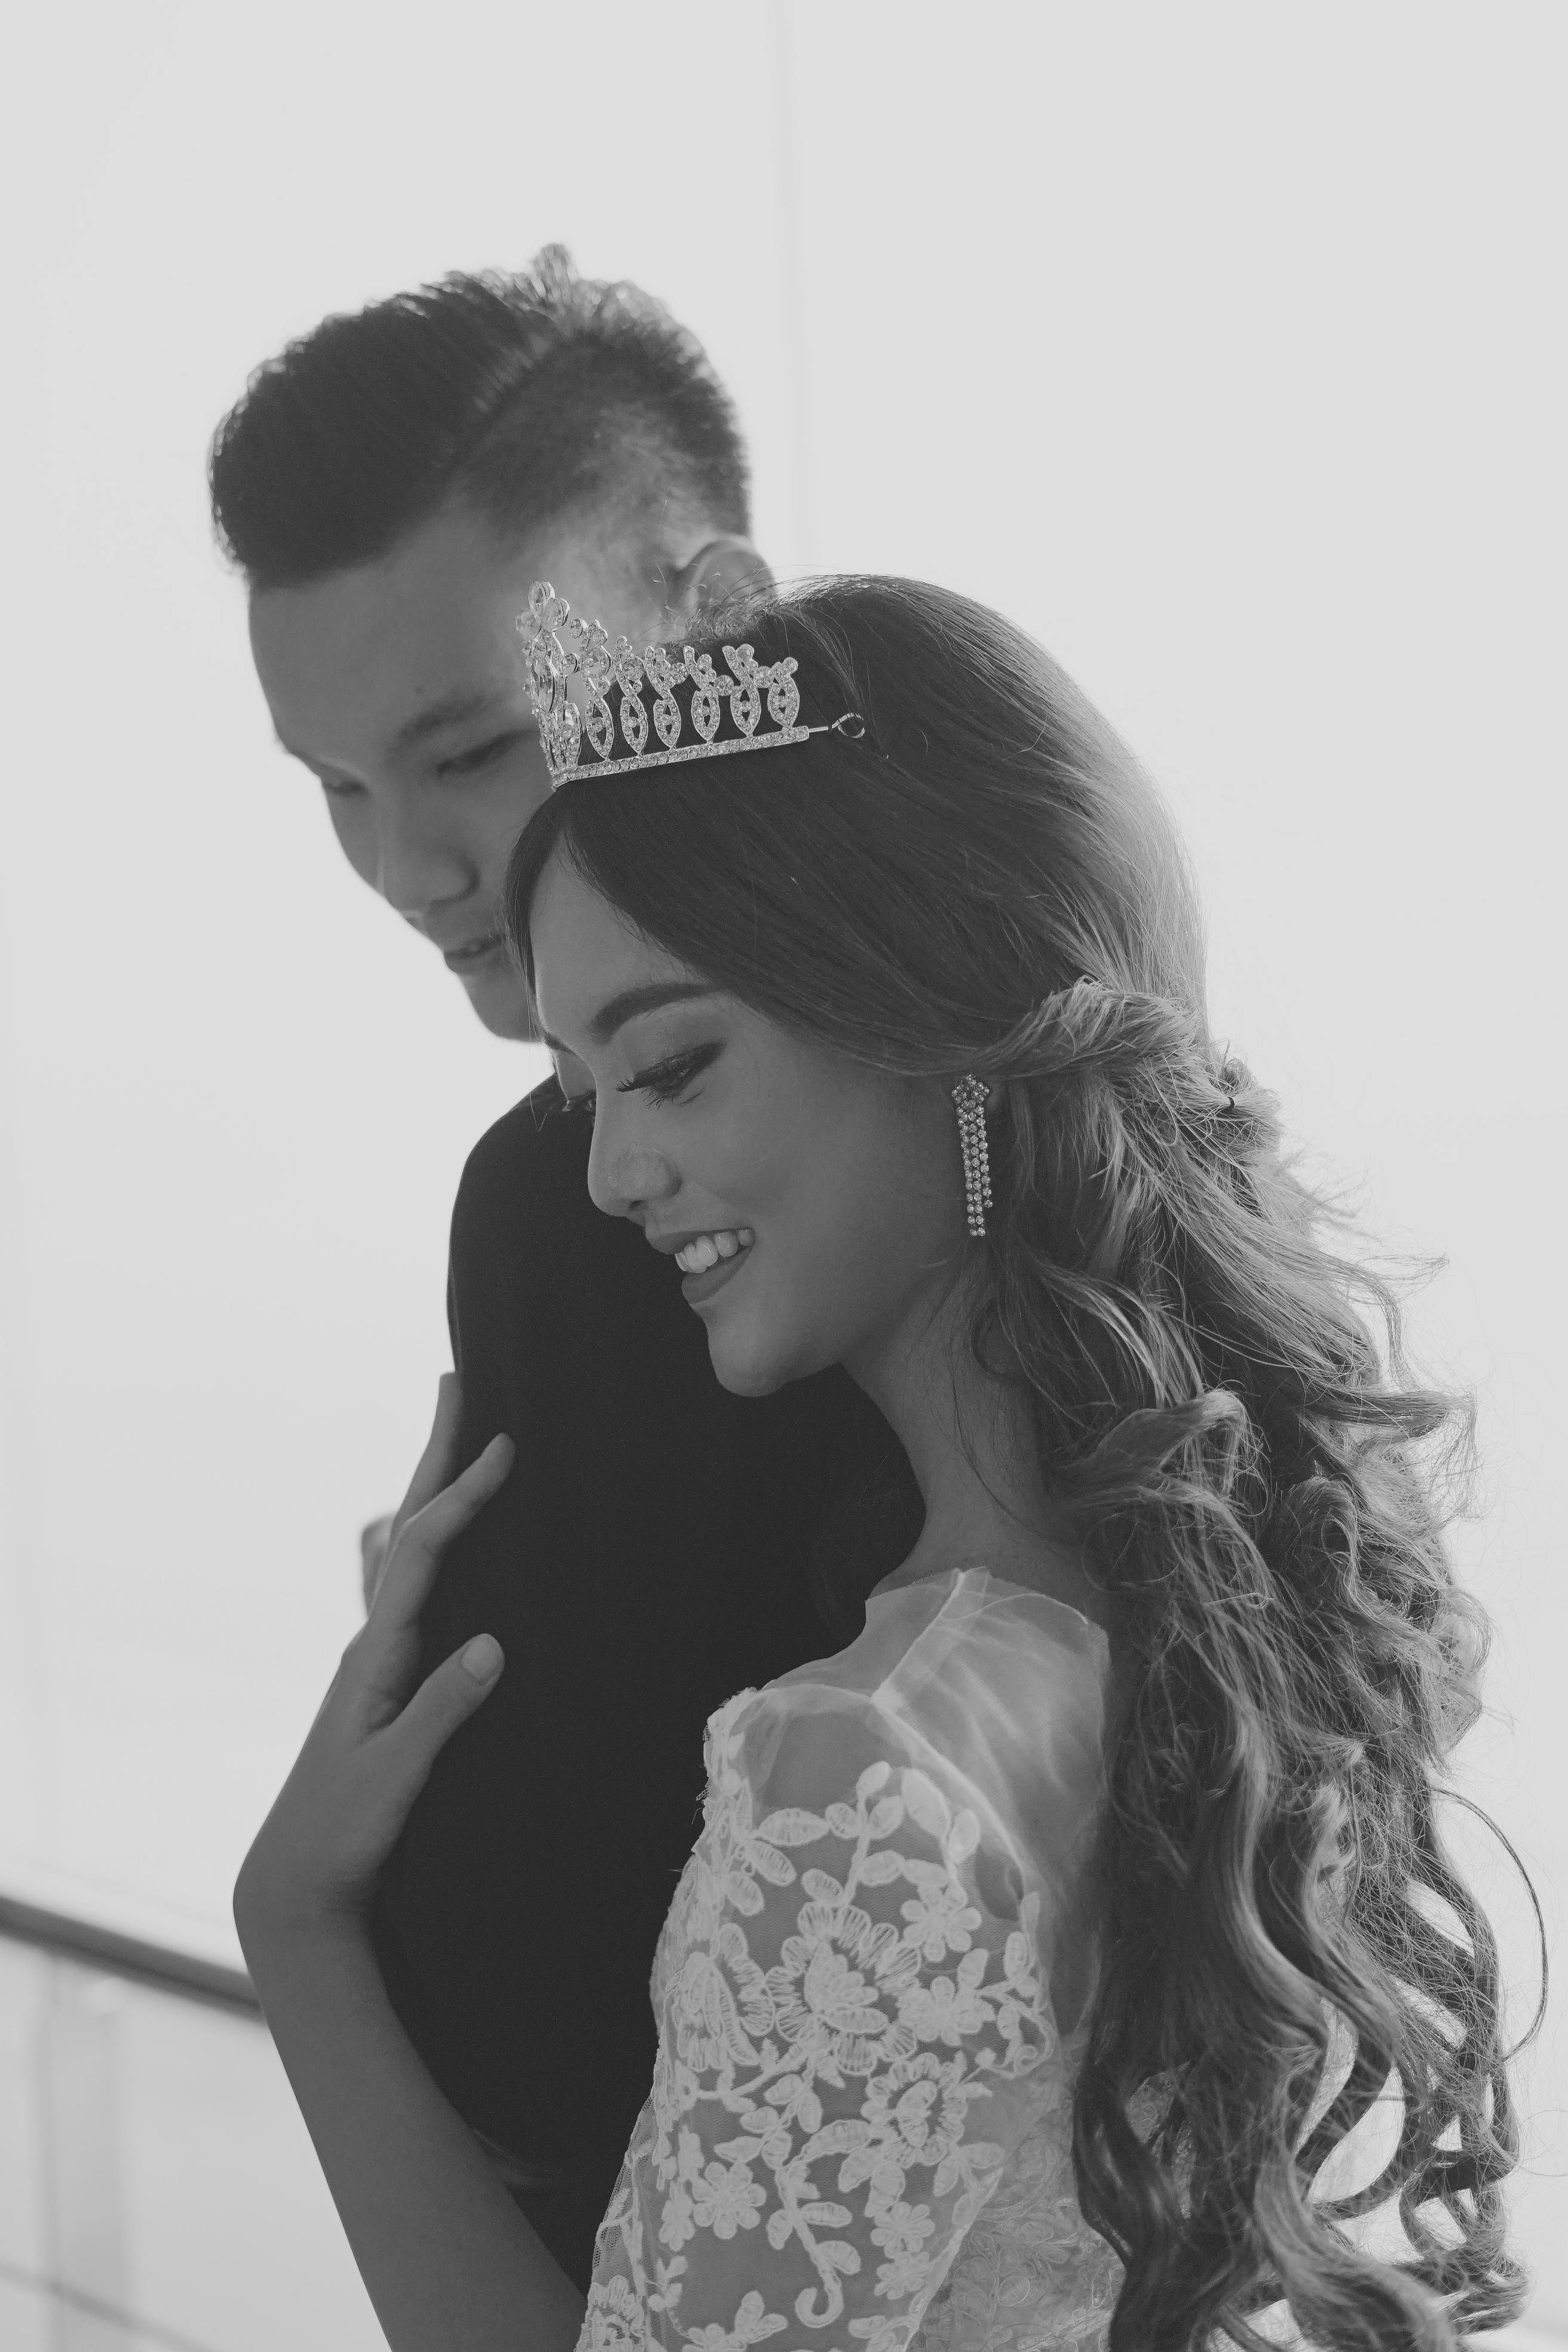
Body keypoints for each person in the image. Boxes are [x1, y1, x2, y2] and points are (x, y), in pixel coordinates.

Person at [234, 575, 1529, 2351]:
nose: (613, 1179)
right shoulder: (1197, 1630)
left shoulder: (868, 1772)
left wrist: (297, 1931)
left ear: (938, 1035)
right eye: (579, 1094)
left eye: (673, 1068)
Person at [208, 254, 918, 2281]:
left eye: (471, 749)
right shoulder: (537, 1194)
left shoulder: (898, 1181)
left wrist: (311, 1925)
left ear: (718, 617)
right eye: (338, 788)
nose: (410, 867)